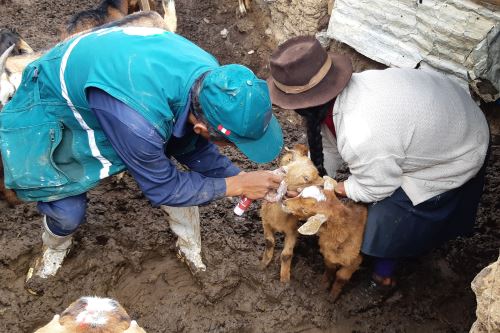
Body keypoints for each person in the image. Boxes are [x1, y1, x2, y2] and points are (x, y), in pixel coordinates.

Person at [0, 26, 284, 290]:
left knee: (177, 168)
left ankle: (189, 248)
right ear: (200, 127)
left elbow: (194, 148)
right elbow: (163, 188)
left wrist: (242, 179)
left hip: (119, 90)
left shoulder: (214, 83)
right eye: (233, 142)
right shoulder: (139, 123)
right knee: (67, 213)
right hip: (58, 102)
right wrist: (237, 186)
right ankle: (54, 248)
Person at [267, 36, 490, 302]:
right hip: (446, 118)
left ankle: (384, 277)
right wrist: (306, 183)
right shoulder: (337, 101)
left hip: (456, 153)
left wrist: (333, 189)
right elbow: (327, 149)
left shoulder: (362, 131)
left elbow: (376, 186)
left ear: (305, 103)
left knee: (382, 222)